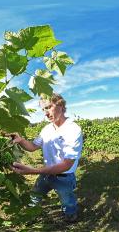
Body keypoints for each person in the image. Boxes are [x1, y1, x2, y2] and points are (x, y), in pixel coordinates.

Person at [9, 93, 83, 222]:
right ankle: (30, 215)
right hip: (46, 174)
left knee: (67, 200)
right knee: (34, 196)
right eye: (43, 109)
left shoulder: (73, 129)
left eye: (48, 107)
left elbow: (66, 165)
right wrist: (20, 140)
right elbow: (32, 146)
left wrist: (32, 171)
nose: (46, 113)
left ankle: (71, 214)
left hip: (64, 177)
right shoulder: (46, 129)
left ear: (61, 105)